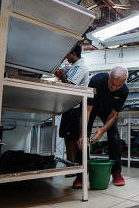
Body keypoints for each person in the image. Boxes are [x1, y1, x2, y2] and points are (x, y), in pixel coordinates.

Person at [77, 66, 129, 187]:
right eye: (112, 84)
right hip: (91, 107)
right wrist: (83, 134)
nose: (114, 88)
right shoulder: (96, 81)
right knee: (82, 139)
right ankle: (81, 174)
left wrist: (103, 129)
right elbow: (87, 110)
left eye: (118, 85)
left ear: (124, 82)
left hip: (108, 111)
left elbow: (114, 114)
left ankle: (116, 172)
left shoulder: (124, 91)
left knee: (115, 137)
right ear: (109, 76)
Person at [56, 44, 89, 187]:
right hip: (70, 108)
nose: (66, 57)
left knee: (73, 139)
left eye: (68, 55)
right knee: (68, 138)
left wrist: (61, 75)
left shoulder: (80, 67)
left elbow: (69, 84)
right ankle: (71, 167)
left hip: (76, 109)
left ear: (73, 54)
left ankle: (75, 168)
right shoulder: (75, 66)